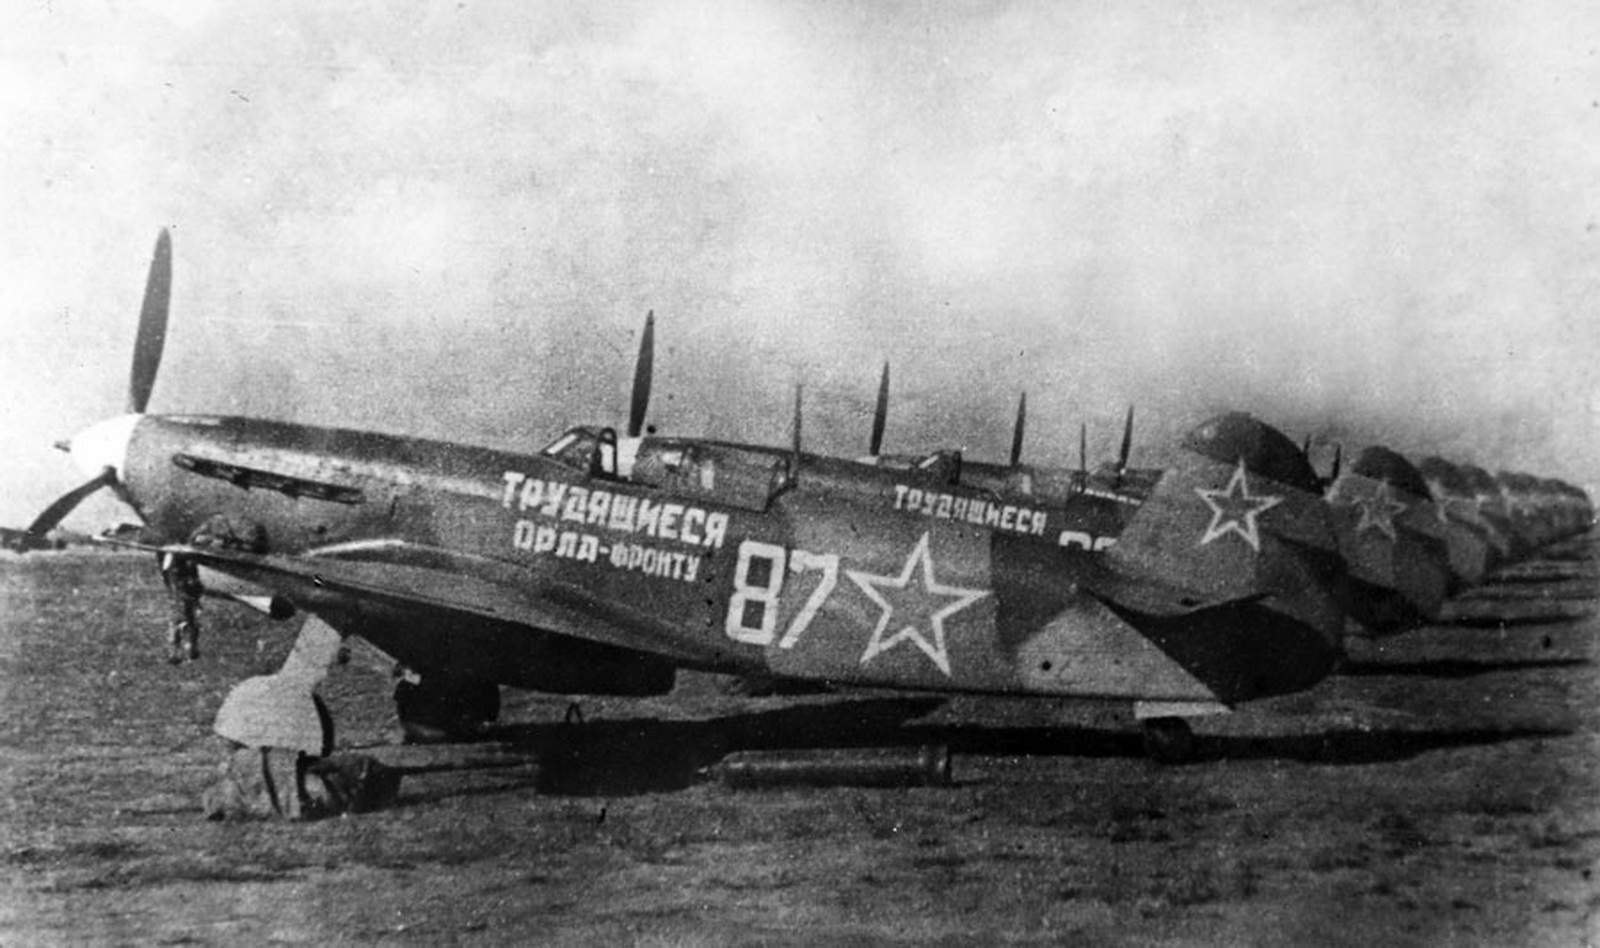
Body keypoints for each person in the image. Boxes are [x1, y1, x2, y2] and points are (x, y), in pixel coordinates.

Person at [160, 553, 203, 663]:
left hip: (181, 598)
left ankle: (176, 653)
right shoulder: (187, 567)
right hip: (184, 597)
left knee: (179, 623)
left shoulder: (173, 565)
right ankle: (183, 652)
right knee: (185, 624)